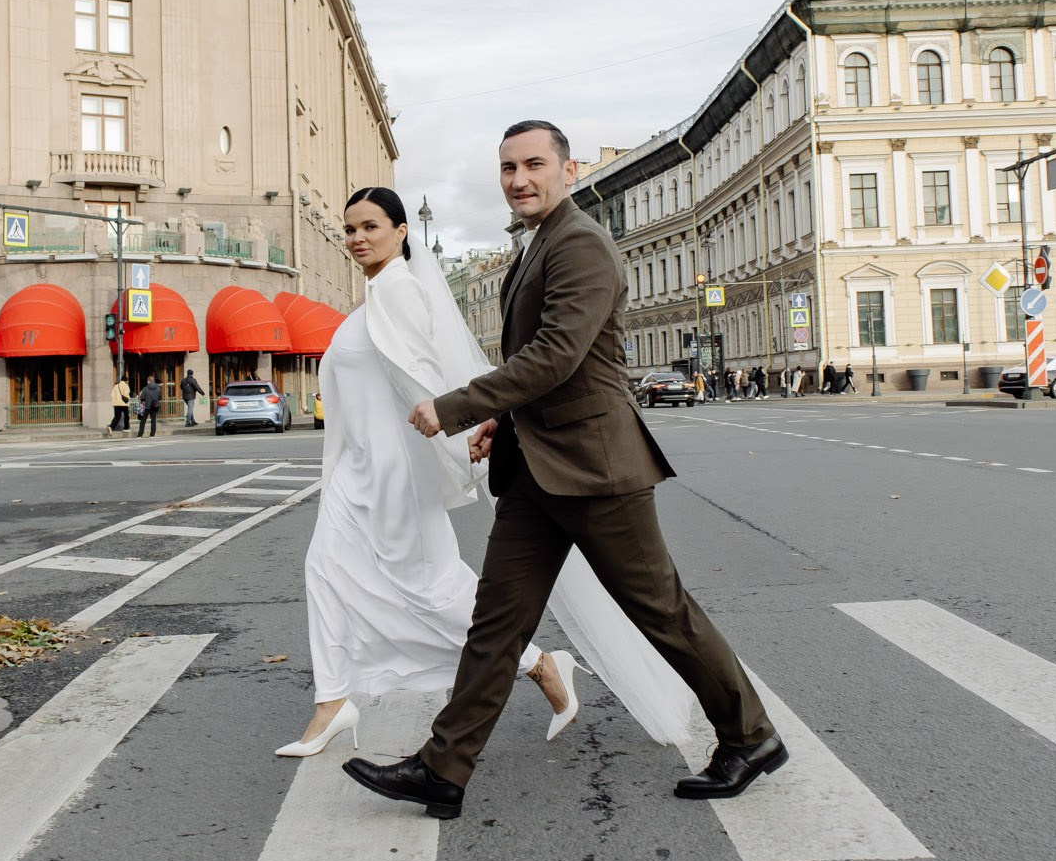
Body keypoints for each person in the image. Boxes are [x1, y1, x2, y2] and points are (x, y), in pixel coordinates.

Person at [345, 120, 783, 821]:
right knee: (496, 624)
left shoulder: (580, 242)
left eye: (534, 164)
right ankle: (442, 767)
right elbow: (542, 369)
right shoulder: (538, 242)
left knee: (661, 611)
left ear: (567, 168)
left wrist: (456, 406)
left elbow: (555, 355)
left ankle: (751, 736)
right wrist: (499, 419)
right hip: (536, 469)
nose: (520, 178)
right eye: (508, 167)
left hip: (595, 468)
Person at [281, 185, 592, 759]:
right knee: (324, 570)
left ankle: (543, 665)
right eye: (350, 229)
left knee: (433, 589)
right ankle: (332, 701)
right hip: (358, 470)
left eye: (370, 227)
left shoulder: (399, 290)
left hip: (398, 470)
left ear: (402, 232)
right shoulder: (375, 295)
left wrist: (463, 436)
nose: (356, 239)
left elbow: (427, 376)